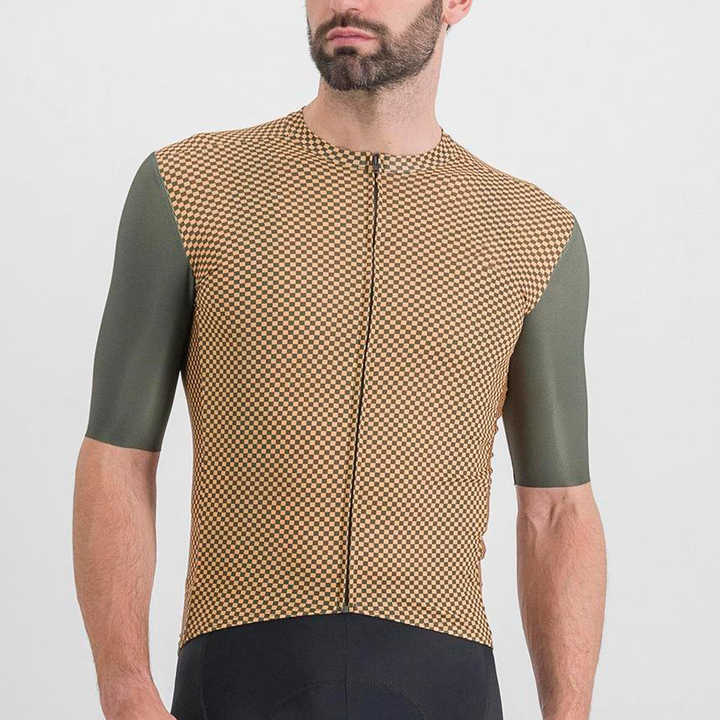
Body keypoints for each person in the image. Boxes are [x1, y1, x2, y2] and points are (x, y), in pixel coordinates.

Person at [73, 1, 607, 718]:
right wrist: (126, 688)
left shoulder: (532, 235)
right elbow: (117, 455)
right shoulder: (191, 189)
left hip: (442, 686)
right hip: (238, 679)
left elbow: (557, 510)